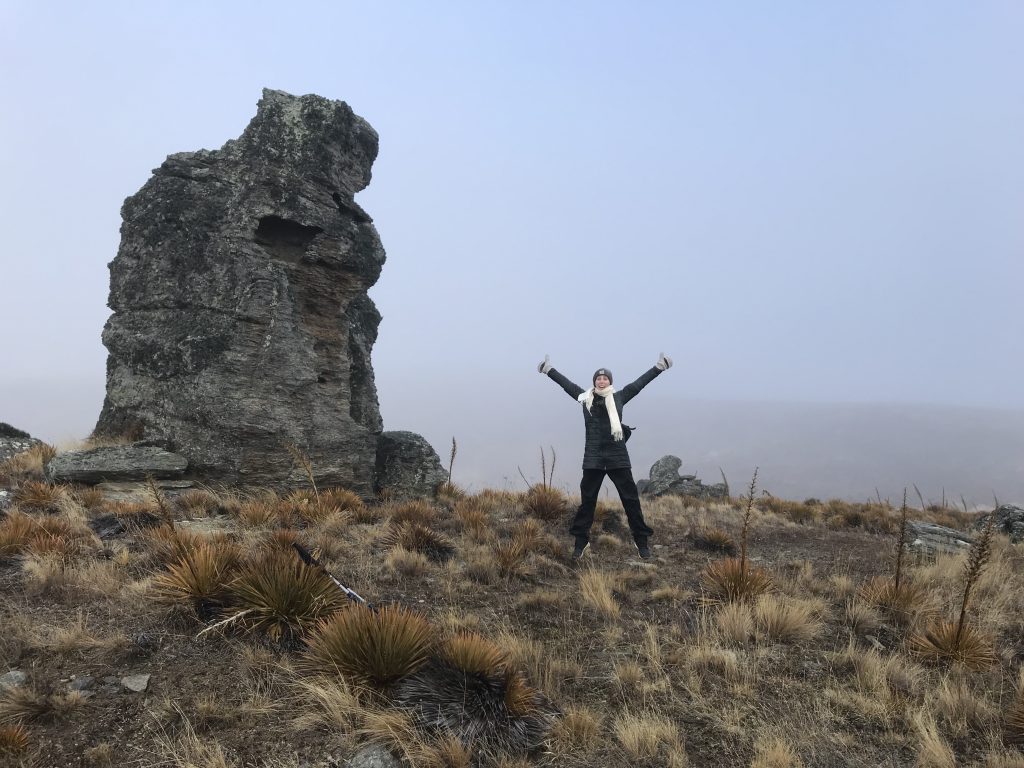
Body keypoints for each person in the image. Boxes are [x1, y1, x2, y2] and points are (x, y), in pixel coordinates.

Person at [537, 353, 673, 561]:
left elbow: (639, 384)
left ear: (610, 381)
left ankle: (641, 542)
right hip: (593, 459)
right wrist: (548, 370)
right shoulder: (585, 399)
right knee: (587, 502)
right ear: (594, 382)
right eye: (598, 378)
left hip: (618, 457)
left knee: (631, 500)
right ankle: (581, 542)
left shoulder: (619, 397)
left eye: (605, 378)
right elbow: (566, 384)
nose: (601, 381)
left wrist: (659, 367)